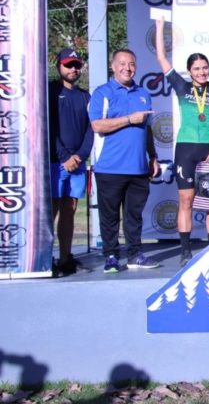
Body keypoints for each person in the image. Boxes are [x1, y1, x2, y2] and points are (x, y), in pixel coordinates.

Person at [155, 18, 209, 266]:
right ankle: (185, 251)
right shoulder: (182, 86)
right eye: (197, 69)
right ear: (189, 71)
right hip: (185, 149)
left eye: (205, 68)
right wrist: (159, 28)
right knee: (186, 200)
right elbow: (162, 59)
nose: (202, 72)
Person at [89, 48, 161, 273]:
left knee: (134, 216)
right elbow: (97, 125)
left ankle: (135, 255)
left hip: (138, 167)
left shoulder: (143, 93)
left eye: (131, 64)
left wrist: (153, 156)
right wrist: (129, 119)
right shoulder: (102, 93)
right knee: (109, 216)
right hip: (110, 167)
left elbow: (147, 129)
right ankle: (111, 256)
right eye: (122, 63)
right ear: (113, 66)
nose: (127, 68)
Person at [48, 48, 94, 276]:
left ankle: (65, 258)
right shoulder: (50, 92)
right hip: (55, 162)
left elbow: (91, 129)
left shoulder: (85, 96)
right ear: (59, 66)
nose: (73, 69)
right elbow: (48, 127)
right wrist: (65, 156)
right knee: (51, 211)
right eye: (68, 65)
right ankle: (45, 259)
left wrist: (80, 156)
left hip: (77, 163)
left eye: (76, 65)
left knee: (70, 209)